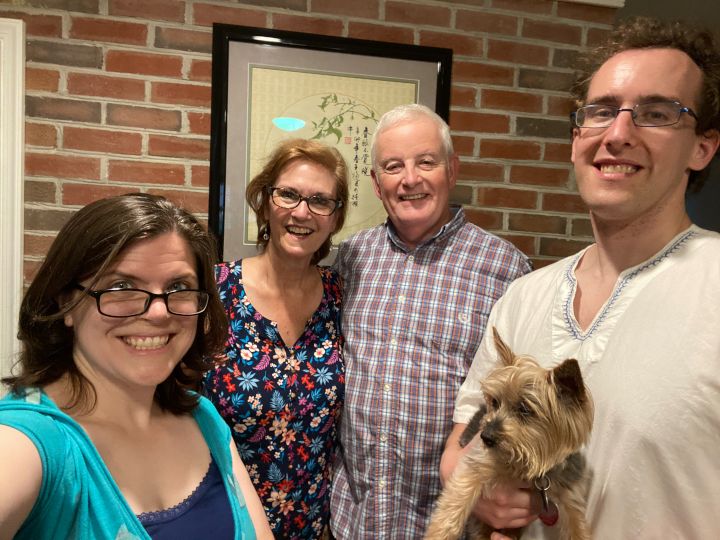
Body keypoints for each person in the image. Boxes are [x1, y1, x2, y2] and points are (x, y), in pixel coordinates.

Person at [441, 17, 720, 540]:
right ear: (576, 140)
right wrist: (482, 490)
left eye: (656, 113)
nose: (618, 134)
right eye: (602, 112)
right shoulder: (523, 295)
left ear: (701, 148)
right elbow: (462, 447)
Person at [0, 193, 272, 539]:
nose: (158, 312)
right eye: (121, 286)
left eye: (179, 286)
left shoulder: (203, 418)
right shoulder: (32, 443)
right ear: (66, 302)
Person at [330, 104, 532, 538]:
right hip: (353, 521)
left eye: (426, 162)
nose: (410, 179)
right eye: (393, 166)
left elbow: (522, 399)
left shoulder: (506, 269)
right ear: (377, 184)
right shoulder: (351, 258)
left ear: (452, 170)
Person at [203, 139, 348, 539]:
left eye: (320, 201)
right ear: (266, 202)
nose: (302, 212)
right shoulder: (215, 292)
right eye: (288, 194)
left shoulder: (341, 297)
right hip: (225, 522)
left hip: (313, 527)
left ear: (335, 219)